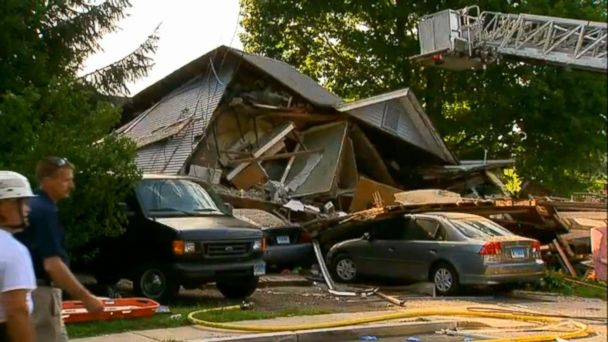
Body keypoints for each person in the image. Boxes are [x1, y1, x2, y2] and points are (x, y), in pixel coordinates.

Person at [16, 157, 103, 342]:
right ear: (47, 180)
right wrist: (86, 298)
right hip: (41, 295)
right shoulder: (45, 211)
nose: (71, 185)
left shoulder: (31, 206)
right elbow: (53, 265)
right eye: (65, 180)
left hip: (25, 292)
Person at [0, 171, 36, 342]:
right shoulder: (12, 250)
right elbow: (17, 310)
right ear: (4, 205)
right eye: (22, 202)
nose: (27, 209)